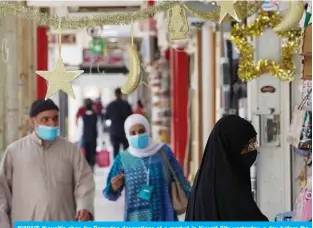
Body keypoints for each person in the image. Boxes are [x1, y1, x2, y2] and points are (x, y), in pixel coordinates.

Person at [0, 99, 95, 227]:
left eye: (55, 119)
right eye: (45, 119)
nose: (52, 124)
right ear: (33, 122)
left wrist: (84, 206)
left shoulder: (70, 150)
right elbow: (2, 194)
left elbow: (84, 181)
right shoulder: (14, 152)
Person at [103, 114, 190, 221]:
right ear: (127, 135)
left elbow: (182, 182)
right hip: (135, 219)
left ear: (148, 131)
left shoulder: (163, 152)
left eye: (141, 131)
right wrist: (114, 187)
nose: (137, 136)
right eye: (132, 133)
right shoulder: (122, 159)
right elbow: (109, 194)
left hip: (164, 217)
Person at [185, 115, 268, 221]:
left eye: (254, 144)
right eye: (249, 145)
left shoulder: (204, 180)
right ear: (232, 146)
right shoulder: (229, 186)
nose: (252, 150)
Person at [104, 88, 133, 158]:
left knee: (115, 150)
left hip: (114, 131)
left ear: (115, 94)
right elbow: (131, 117)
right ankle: (127, 166)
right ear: (121, 94)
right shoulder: (126, 104)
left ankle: (117, 166)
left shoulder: (110, 105)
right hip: (125, 130)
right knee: (126, 150)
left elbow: (106, 118)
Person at [78, 102, 98, 172]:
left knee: (86, 153)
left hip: (85, 137)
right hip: (93, 137)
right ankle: (92, 168)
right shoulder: (95, 116)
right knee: (92, 153)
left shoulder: (83, 117)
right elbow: (97, 127)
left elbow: (81, 128)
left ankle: (87, 168)